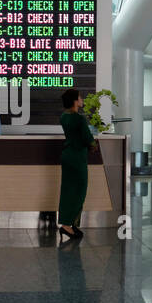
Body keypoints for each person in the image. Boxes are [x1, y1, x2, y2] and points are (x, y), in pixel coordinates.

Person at [57, 88, 94, 240]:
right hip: (78, 158)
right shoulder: (79, 119)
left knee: (67, 191)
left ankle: (67, 223)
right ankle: (69, 224)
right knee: (80, 190)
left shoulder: (63, 117)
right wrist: (93, 145)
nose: (82, 99)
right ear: (74, 100)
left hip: (66, 156)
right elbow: (88, 139)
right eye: (79, 97)